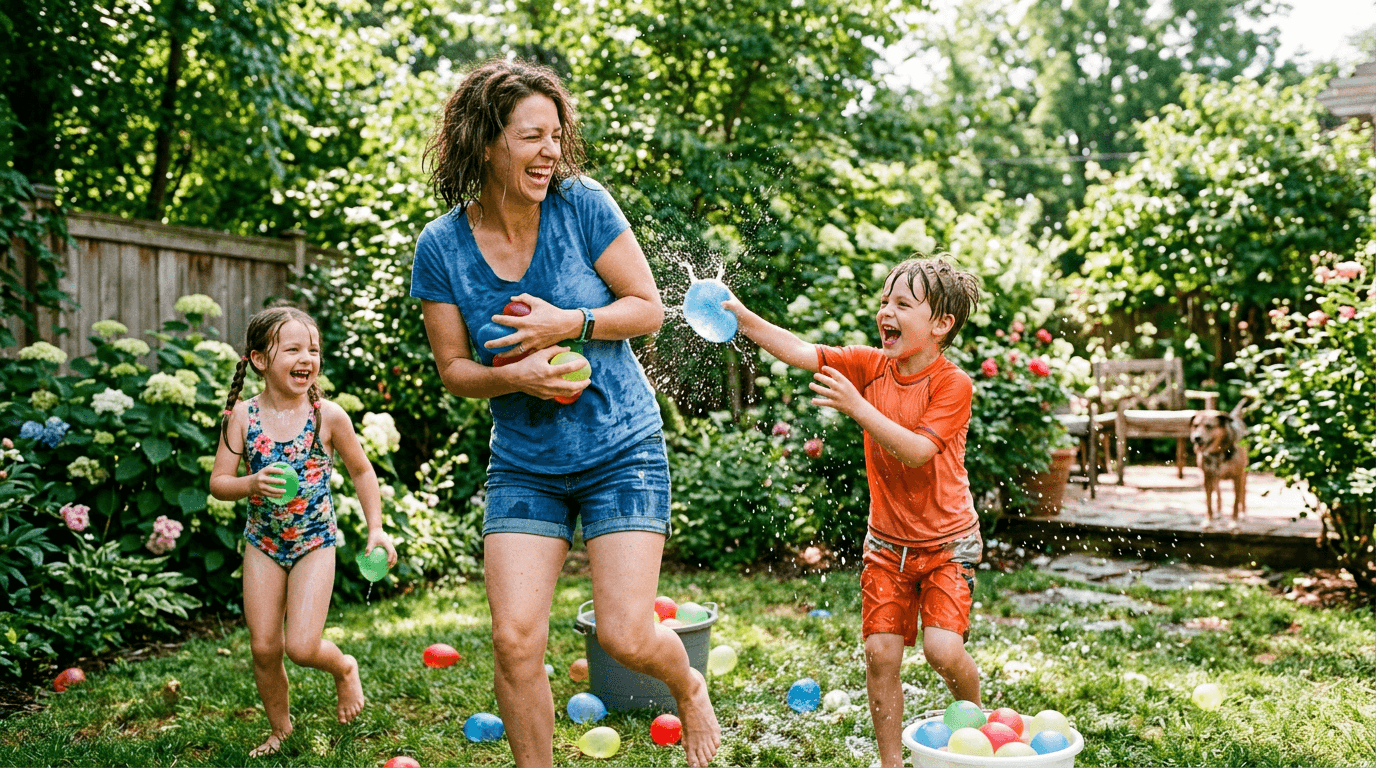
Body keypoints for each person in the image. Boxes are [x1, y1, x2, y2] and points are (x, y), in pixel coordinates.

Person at [409, 58, 720, 768]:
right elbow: (455, 370)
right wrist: (513, 374)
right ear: (487, 144)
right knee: (515, 639)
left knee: (627, 636)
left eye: (555, 135)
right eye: (530, 137)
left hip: (622, 447)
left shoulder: (583, 206)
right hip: (526, 461)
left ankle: (688, 685)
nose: (550, 151)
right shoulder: (442, 247)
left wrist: (566, 324)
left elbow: (645, 309)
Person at [723, 258, 983, 768]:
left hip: (948, 542)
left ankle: (975, 718)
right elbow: (801, 351)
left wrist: (858, 408)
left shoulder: (953, 385)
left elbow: (917, 451)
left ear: (941, 325)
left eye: (902, 304)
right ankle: (890, 765)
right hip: (886, 545)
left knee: (943, 652)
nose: (886, 310)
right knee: (881, 655)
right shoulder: (869, 364)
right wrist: (741, 315)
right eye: (885, 301)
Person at [209, 305, 397, 758]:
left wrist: (377, 528)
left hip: (314, 542)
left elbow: (362, 472)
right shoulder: (242, 417)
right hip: (264, 543)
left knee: (302, 645)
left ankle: (344, 667)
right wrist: (251, 483)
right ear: (259, 360)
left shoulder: (326, 416)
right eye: (292, 348)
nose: (306, 358)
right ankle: (281, 729)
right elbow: (218, 483)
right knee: (264, 647)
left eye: (312, 349)